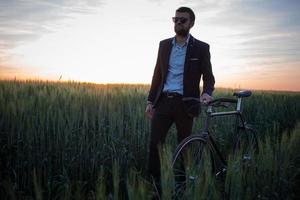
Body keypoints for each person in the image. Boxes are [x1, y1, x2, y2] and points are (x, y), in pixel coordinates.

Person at [145, 6, 215, 194]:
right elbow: (157, 75)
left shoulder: (201, 48)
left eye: (182, 20)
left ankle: (182, 186)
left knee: (185, 147)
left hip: (186, 104)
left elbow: (209, 77)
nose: (178, 23)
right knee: (155, 145)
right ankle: (154, 187)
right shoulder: (164, 45)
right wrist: (150, 101)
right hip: (163, 102)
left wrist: (207, 92)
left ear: (191, 23)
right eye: (175, 19)